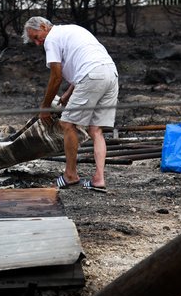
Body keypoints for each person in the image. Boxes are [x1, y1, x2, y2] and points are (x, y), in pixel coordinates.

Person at [23, 16, 119, 193]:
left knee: (67, 124)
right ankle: (99, 179)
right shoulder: (72, 29)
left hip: (91, 76)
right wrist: (67, 94)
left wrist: (45, 108)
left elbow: (56, 76)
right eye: (34, 41)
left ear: (44, 26)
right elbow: (86, 61)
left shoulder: (51, 39)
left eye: (36, 37)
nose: (37, 43)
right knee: (95, 130)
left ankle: (70, 175)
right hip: (110, 73)